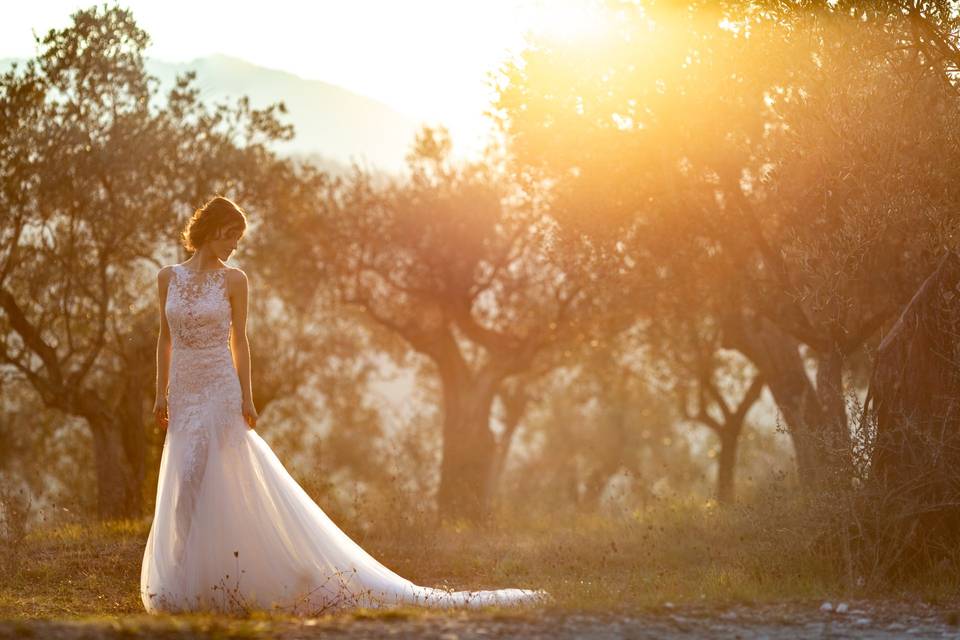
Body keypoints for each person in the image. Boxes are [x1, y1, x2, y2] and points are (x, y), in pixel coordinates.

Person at [140, 196, 548, 615]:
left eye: (239, 240)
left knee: (208, 478)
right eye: (231, 237)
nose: (234, 247)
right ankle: (183, 580)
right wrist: (161, 392)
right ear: (211, 231)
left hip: (220, 390)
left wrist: (246, 395)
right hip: (184, 391)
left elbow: (239, 341)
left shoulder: (235, 280)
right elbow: (164, 339)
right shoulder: (167, 277)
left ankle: (214, 582)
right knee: (183, 483)